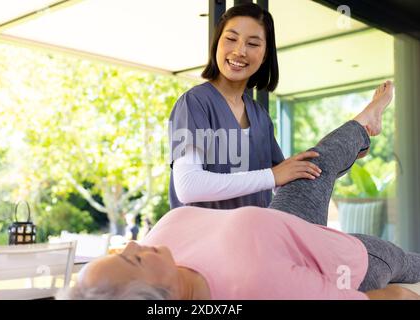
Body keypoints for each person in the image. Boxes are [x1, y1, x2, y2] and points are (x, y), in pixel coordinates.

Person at [58, 81, 420, 300]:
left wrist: (278, 175)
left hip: (279, 225)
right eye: (133, 259)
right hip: (337, 257)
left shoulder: (164, 237)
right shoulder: (257, 287)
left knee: (311, 165)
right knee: (406, 264)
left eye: (122, 250)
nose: (135, 243)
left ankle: (364, 123)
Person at [168, 3, 322, 209]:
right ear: (217, 43)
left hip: (249, 238)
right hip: (202, 239)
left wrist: (350, 148)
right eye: (231, 39)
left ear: (265, 54)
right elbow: (188, 186)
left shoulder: (261, 117)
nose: (240, 51)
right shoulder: (195, 103)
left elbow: (286, 180)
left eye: (253, 44)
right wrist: (272, 176)